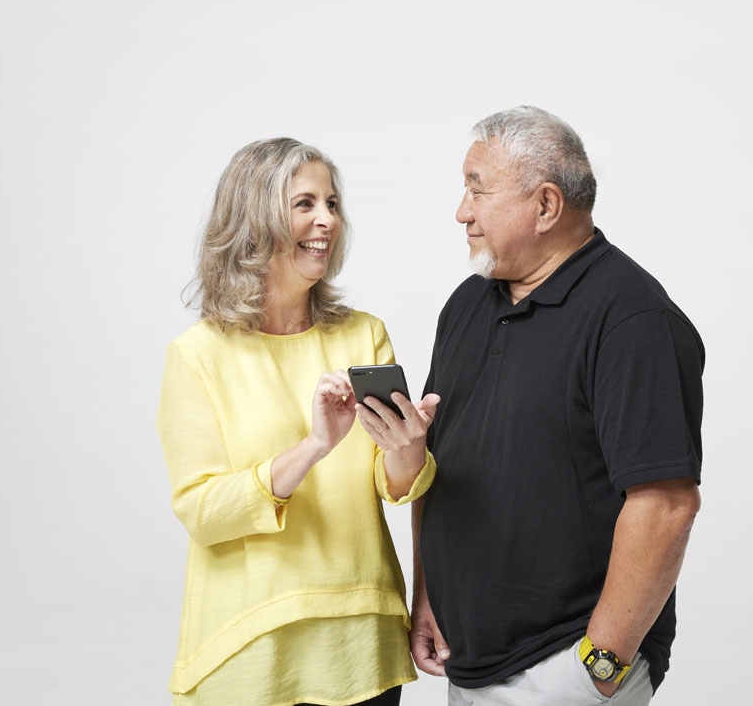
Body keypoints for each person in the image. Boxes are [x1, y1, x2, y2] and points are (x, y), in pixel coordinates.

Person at [410, 107, 704, 706]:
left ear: (545, 206)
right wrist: (431, 598)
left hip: (564, 670)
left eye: (477, 190)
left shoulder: (632, 320)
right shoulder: (466, 304)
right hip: (469, 662)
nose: (461, 212)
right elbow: (438, 469)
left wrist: (599, 666)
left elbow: (667, 504)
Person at [157, 138, 438, 706]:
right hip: (252, 643)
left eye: (332, 204)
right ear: (254, 219)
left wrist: (411, 447)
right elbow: (203, 512)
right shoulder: (199, 354)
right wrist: (314, 445)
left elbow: (398, 484)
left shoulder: (364, 335)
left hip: (362, 635)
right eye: (305, 203)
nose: (327, 221)